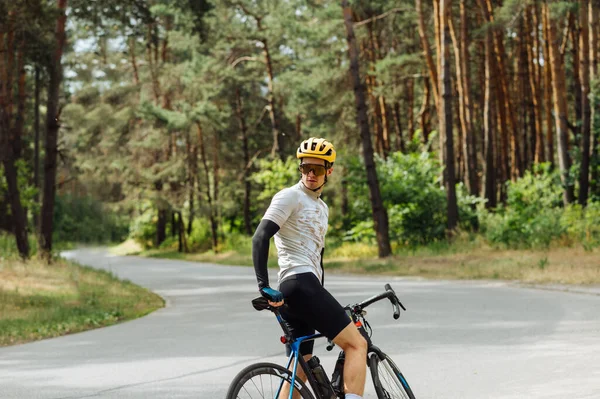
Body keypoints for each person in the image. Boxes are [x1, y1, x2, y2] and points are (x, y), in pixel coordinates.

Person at [252, 137, 367, 399]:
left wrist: (323, 305)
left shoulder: (322, 207)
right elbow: (260, 236)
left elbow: (318, 257)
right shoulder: (290, 196)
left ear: (329, 170)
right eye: (305, 168)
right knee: (357, 344)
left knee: (300, 367)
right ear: (300, 169)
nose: (311, 174)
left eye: (317, 169)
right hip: (298, 283)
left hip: (304, 291)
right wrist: (263, 286)